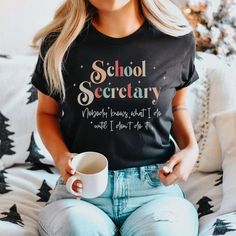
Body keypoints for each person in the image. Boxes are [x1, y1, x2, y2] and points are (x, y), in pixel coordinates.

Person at [31, 0, 200, 235]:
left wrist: (191, 148)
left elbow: (177, 106)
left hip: (155, 189)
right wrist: (62, 158)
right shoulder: (59, 43)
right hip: (81, 192)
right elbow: (46, 113)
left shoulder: (176, 39)